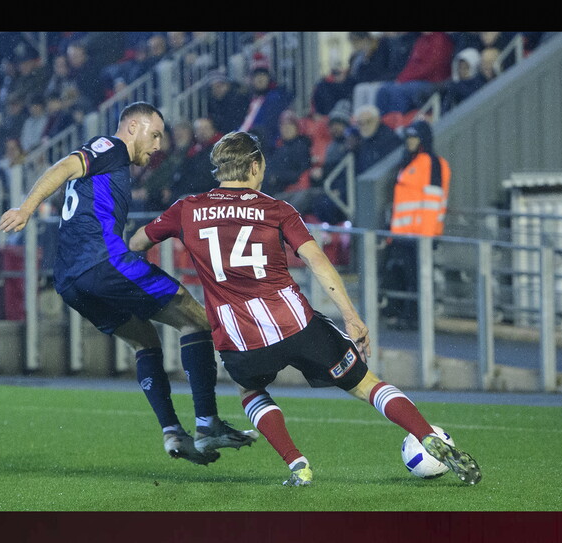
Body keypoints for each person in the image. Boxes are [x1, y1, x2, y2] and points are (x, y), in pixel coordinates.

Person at [128, 130, 481, 486]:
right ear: (254, 165)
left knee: (249, 390)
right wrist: (352, 316)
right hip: (297, 325)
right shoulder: (277, 209)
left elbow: (138, 240)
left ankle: (297, 463)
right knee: (364, 384)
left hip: (240, 340)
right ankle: (425, 434)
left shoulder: (187, 209)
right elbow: (318, 262)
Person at [0, 101, 258, 465]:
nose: (157, 146)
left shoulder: (114, 163)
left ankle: (172, 432)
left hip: (70, 280)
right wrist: (26, 209)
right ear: (132, 127)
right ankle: (207, 424)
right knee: (193, 317)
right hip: (104, 262)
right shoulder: (112, 147)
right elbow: (64, 166)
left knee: (145, 340)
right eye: (154, 135)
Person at [382, 120, 451, 327]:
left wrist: (426, 237)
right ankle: (404, 316)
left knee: (416, 280)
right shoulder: (409, 162)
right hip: (403, 235)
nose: (410, 142)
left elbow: (433, 202)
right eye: (408, 138)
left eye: (414, 137)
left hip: (419, 235)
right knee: (403, 277)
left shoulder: (432, 163)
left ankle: (413, 319)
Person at [374, 32, 454, 116]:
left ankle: (397, 123)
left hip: (433, 82)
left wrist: (405, 80)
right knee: (383, 90)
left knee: (399, 91)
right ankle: (382, 124)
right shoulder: (421, 40)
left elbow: (430, 66)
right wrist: (401, 79)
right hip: (415, 80)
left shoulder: (440, 39)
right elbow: (411, 64)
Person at [442, 48, 487, 114]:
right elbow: (446, 107)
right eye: (460, 68)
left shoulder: (480, 81)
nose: (462, 71)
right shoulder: (454, 86)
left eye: (466, 68)